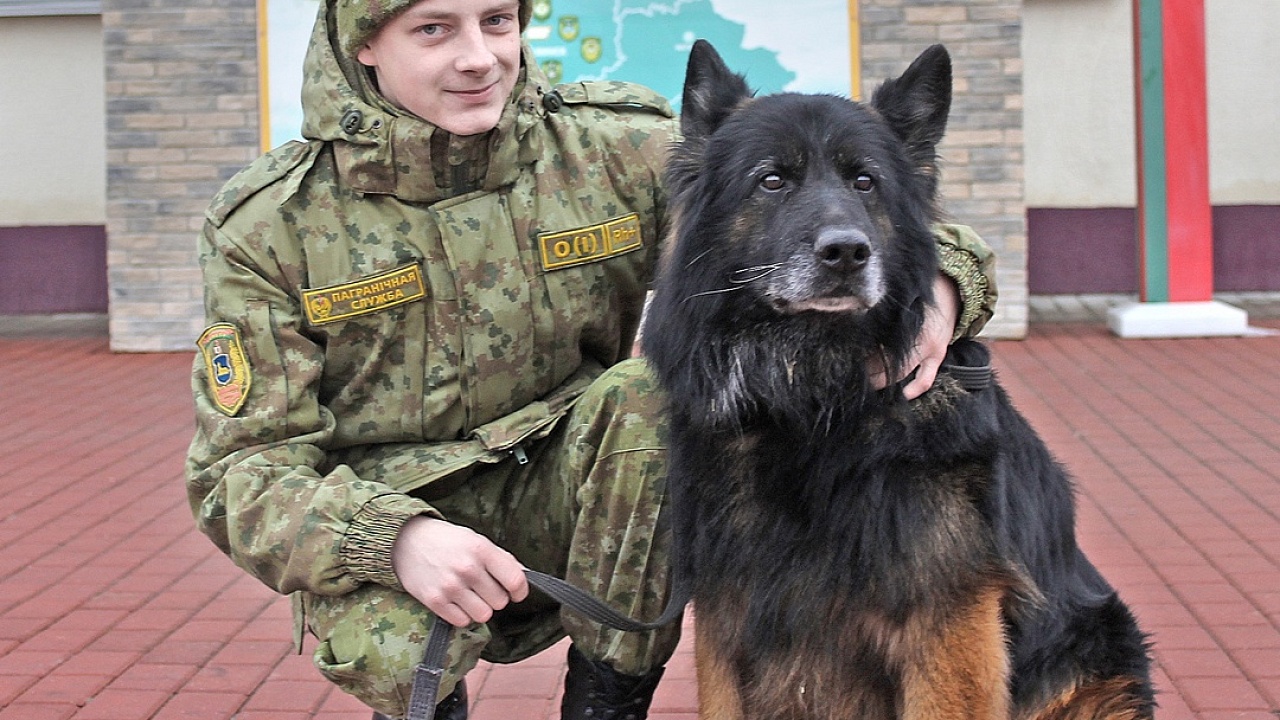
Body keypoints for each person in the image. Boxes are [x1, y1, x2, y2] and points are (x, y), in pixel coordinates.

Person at [185, 0, 999, 718]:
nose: (478, 57)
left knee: (651, 395)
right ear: (363, 41)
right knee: (398, 636)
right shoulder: (270, 227)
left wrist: (945, 287)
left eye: (497, 22)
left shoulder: (607, 149)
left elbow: (872, 198)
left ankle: (607, 706)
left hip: (576, 485)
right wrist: (389, 538)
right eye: (434, 29)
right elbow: (240, 473)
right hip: (391, 515)